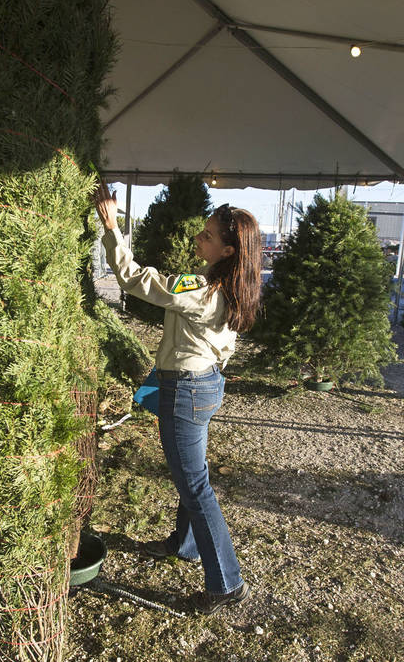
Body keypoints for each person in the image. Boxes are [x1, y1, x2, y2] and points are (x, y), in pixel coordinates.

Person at [93, 183, 262, 615]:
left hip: (186, 391)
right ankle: (185, 544)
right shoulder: (226, 285)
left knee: (195, 486)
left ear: (228, 251)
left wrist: (112, 227)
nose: (197, 240)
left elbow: (133, 280)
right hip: (204, 386)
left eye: (207, 236)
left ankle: (227, 584)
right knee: (194, 475)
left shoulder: (204, 293)